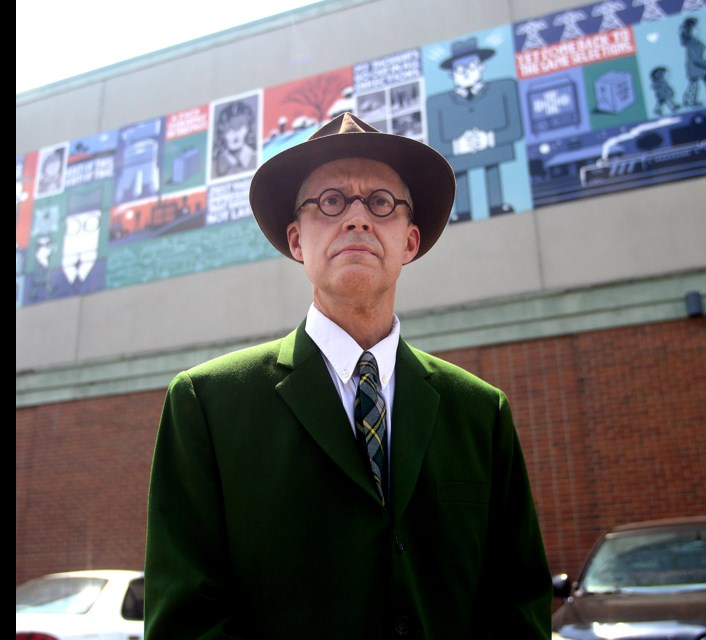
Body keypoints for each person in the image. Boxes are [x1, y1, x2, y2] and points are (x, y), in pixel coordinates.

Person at [144, 112, 552, 639]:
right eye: (331, 202)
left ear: (409, 241)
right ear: (296, 240)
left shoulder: (480, 412)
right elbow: (186, 621)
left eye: (381, 203)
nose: (357, 219)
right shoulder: (207, 404)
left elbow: (518, 604)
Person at [425, 38, 523, 222]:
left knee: (492, 169)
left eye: (471, 66)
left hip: (495, 150)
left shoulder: (504, 88)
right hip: (459, 156)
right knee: (458, 174)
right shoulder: (437, 103)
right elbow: (435, 143)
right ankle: (462, 211)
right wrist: (457, 145)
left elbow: (515, 130)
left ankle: (497, 204)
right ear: (452, 74)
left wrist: (489, 139)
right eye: (460, 69)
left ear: (481, 67)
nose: (466, 72)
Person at [212, 100, 258, 177]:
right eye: (229, 129)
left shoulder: (257, 158)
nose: (235, 134)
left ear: (248, 129)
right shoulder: (215, 166)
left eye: (240, 127)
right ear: (222, 133)